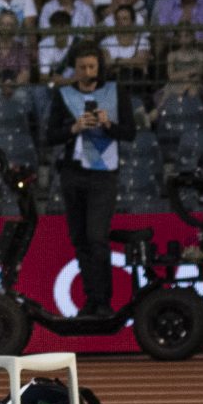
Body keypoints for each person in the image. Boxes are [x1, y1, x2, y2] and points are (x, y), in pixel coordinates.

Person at [44, 41, 136, 318]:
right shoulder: (63, 96)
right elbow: (50, 136)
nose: (87, 71)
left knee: (97, 237)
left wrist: (108, 125)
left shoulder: (116, 92)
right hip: (73, 172)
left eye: (91, 66)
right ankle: (91, 300)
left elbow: (130, 133)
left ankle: (104, 301)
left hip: (103, 175)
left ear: (99, 67)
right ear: (75, 68)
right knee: (81, 238)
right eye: (82, 67)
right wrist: (74, 127)